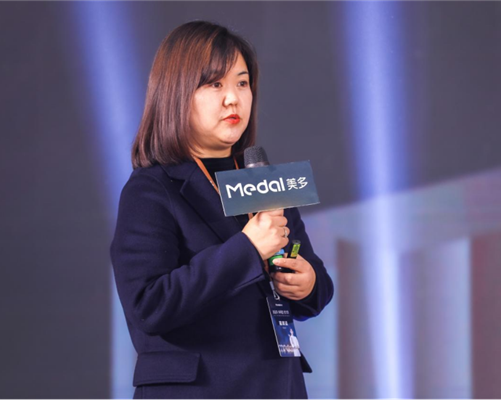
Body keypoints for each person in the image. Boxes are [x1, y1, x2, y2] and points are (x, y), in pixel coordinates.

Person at [110, 21, 334, 399]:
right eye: (215, 84)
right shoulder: (151, 189)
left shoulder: (263, 180)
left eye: (242, 83)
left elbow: (317, 285)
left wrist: (308, 283)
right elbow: (149, 305)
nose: (233, 99)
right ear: (177, 93)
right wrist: (247, 250)